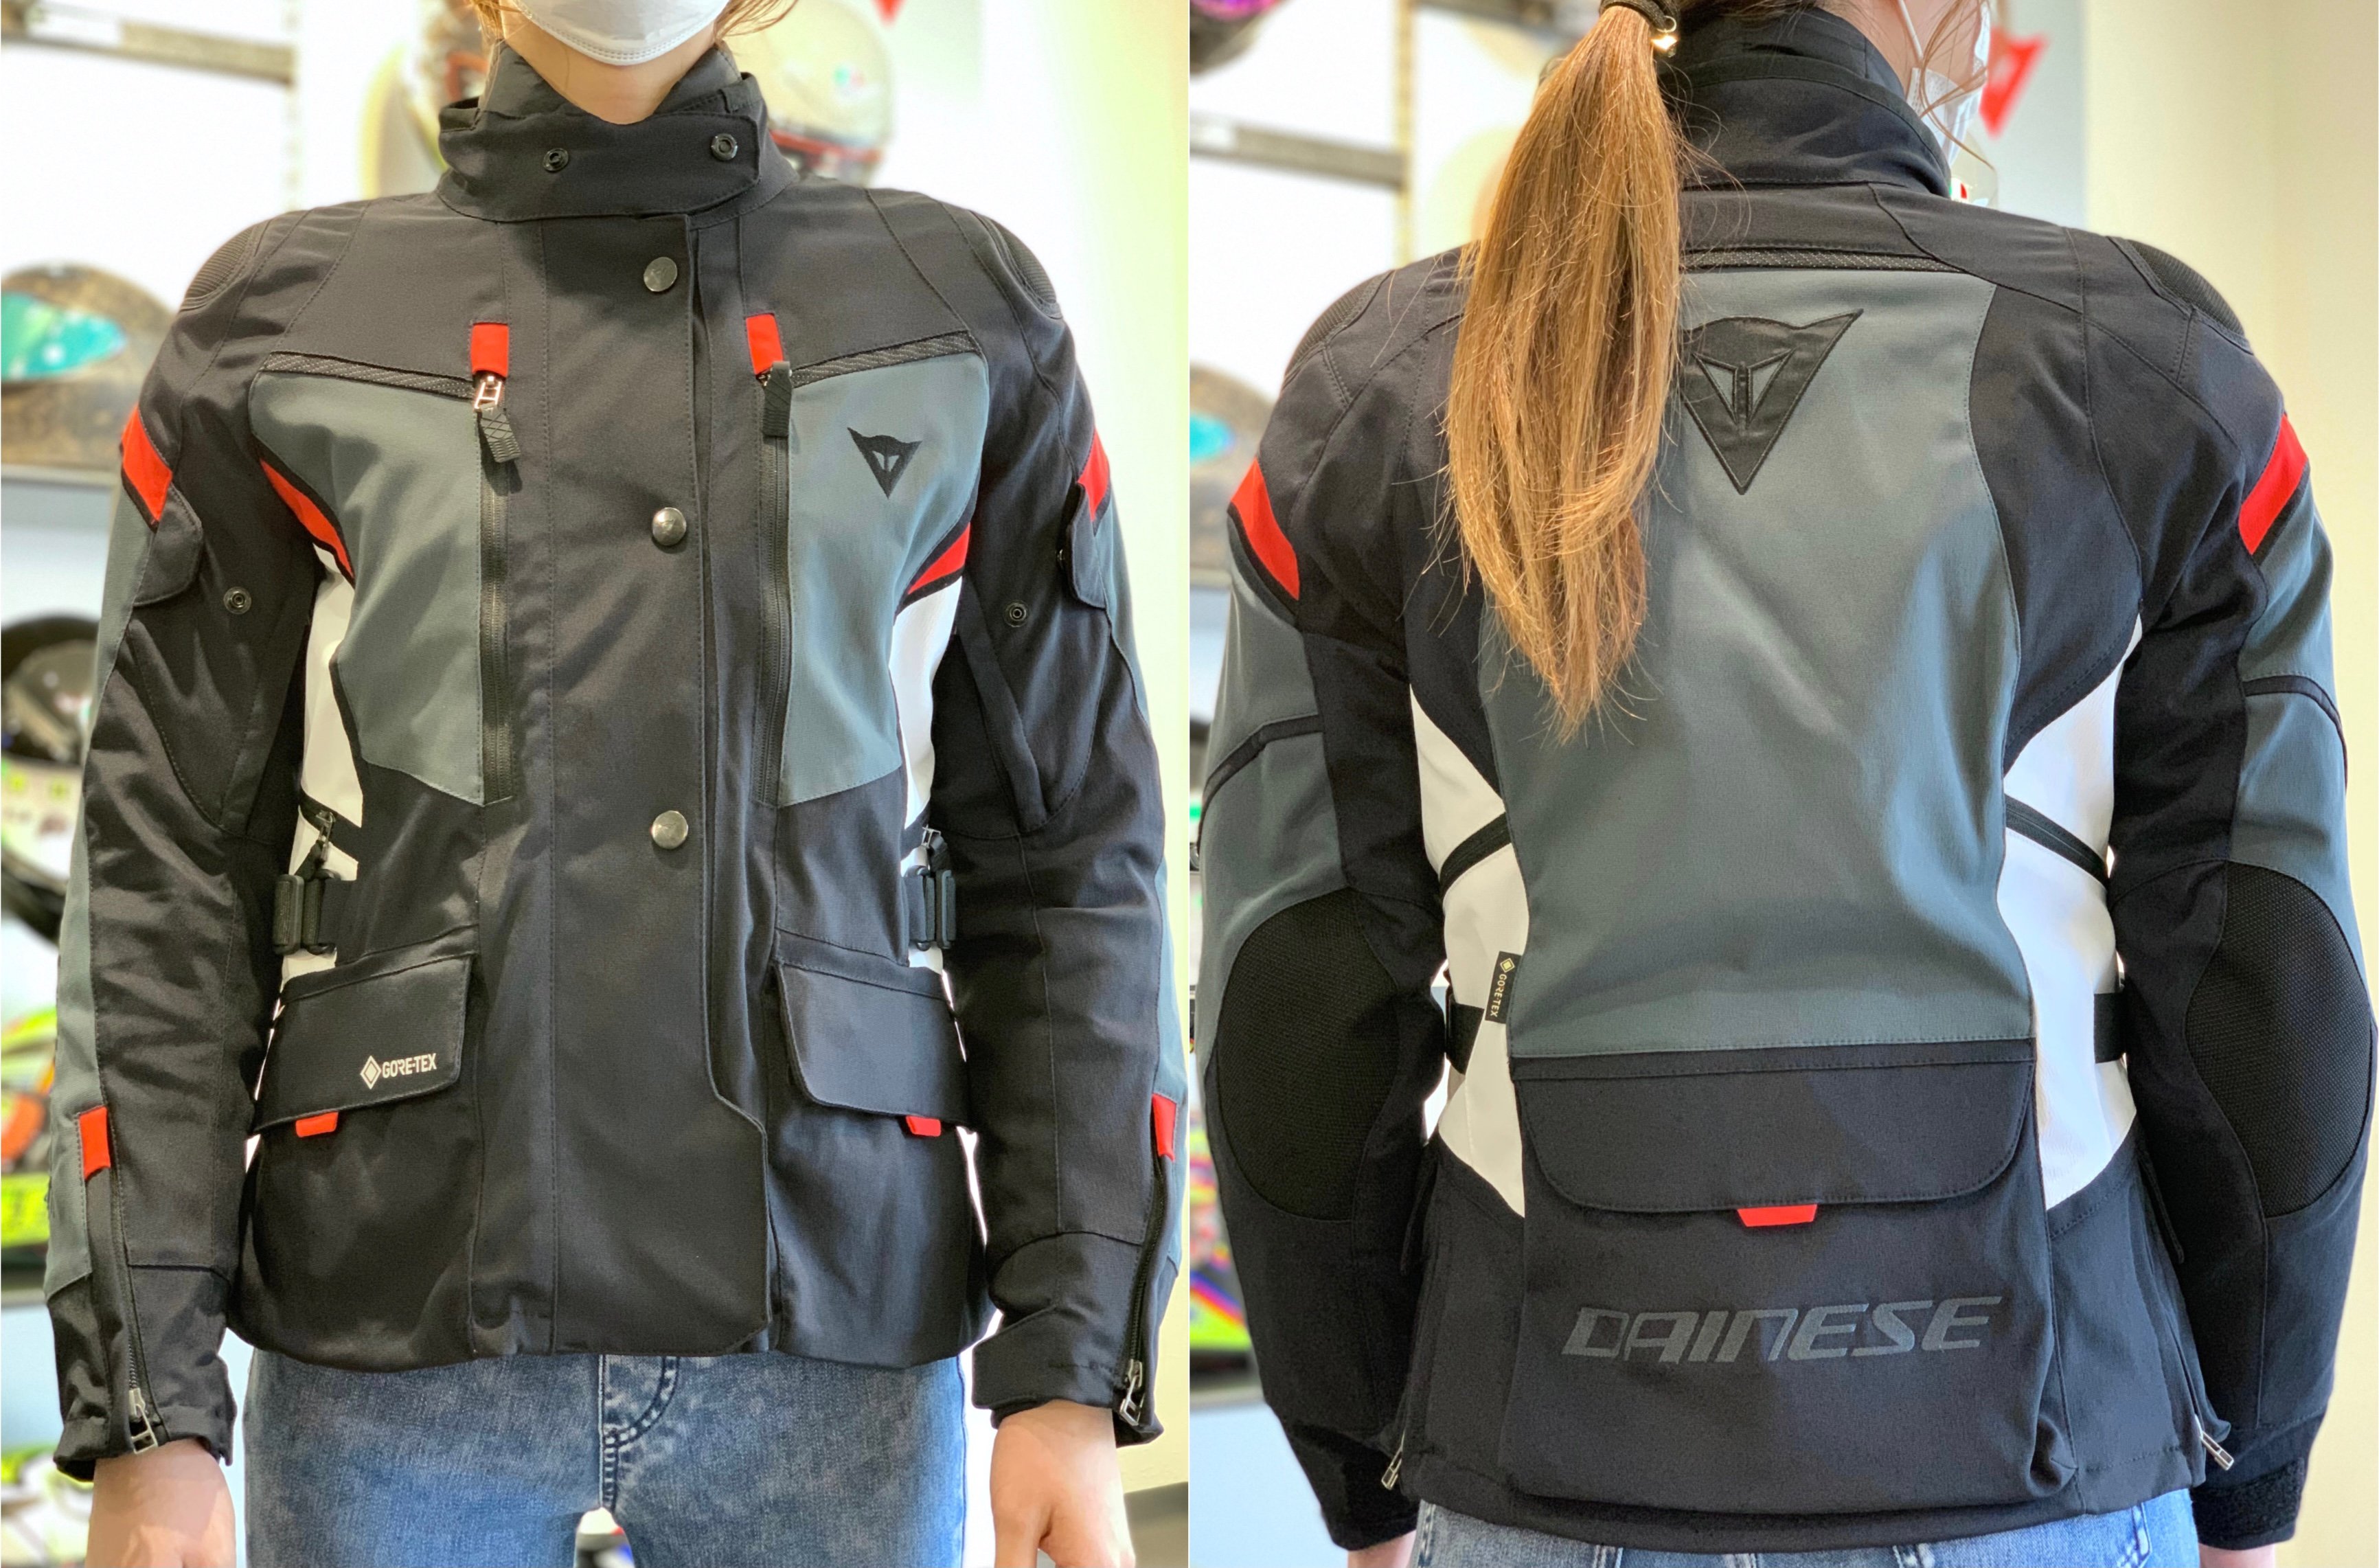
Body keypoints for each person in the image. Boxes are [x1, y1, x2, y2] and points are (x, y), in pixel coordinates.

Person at [1198, 1, 2368, 1567]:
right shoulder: (2155, 370)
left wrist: (1359, 1472)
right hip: (2045, 1461)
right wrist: (2253, 1475)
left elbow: (1292, 997)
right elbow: (2267, 987)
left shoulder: (1382, 388)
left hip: (1544, 1460)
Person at [46, 2, 1183, 1565]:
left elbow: (1071, 857)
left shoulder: (955, 310)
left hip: (832, 1336)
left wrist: (1073, 1357)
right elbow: (163, 871)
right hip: (399, 1342)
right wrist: (151, 1406)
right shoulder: (290, 318)